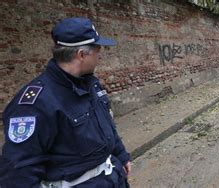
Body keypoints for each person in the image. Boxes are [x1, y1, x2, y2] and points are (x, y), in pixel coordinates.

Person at [0, 17, 131, 187]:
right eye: (98, 49)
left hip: (111, 176)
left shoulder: (90, 83)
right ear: (82, 55)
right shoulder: (35, 104)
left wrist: (121, 155)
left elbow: (107, 125)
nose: (100, 54)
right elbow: (18, 172)